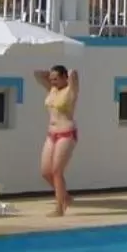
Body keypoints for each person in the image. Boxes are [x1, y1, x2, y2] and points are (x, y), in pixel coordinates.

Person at [34, 64, 79, 217]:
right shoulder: (53, 90)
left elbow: (74, 73)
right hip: (51, 133)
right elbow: (37, 74)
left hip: (66, 133)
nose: (52, 82)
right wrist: (50, 74)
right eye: (51, 79)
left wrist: (67, 76)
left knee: (57, 172)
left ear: (64, 78)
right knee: (46, 172)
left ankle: (60, 207)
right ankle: (65, 196)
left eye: (56, 79)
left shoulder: (70, 91)